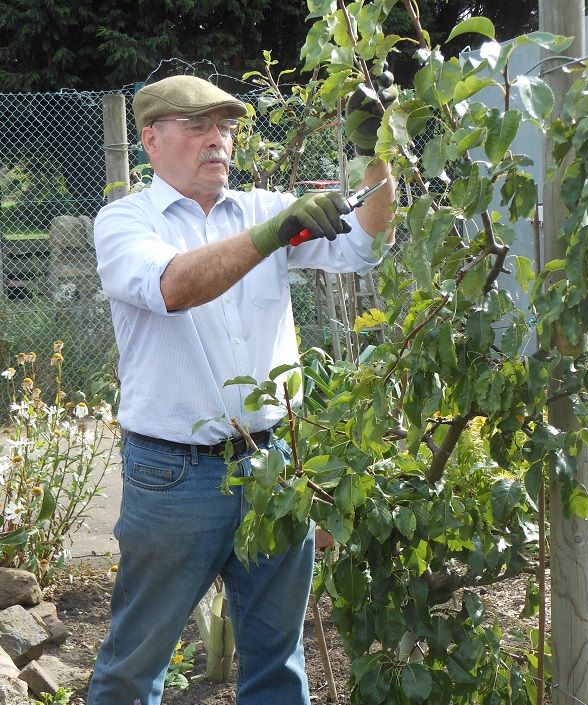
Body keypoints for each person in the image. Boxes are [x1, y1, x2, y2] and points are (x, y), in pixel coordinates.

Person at [87, 74, 396, 705]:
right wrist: (275, 234)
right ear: (150, 138)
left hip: (272, 465)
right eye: (197, 126)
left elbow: (366, 245)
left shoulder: (262, 208)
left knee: (277, 662)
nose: (217, 141)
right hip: (173, 475)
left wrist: (375, 150)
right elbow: (174, 286)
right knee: (133, 665)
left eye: (225, 127)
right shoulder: (124, 221)